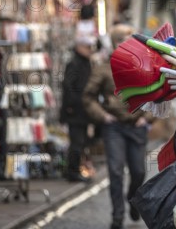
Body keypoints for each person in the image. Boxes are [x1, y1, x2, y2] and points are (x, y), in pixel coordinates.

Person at [82, 24, 151, 229]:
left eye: (131, 38)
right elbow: (88, 97)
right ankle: (117, 216)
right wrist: (102, 116)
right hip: (114, 127)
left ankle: (133, 199)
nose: (127, 42)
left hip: (137, 125)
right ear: (114, 42)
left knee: (138, 172)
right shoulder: (104, 68)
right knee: (116, 172)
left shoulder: (143, 65)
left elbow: (156, 95)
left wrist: (147, 118)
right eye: (122, 39)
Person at [60, 34, 96, 183]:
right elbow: (68, 86)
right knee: (76, 142)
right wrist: (72, 105)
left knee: (80, 142)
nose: (90, 50)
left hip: (82, 110)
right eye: (87, 47)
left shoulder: (85, 63)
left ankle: (75, 169)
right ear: (79, 47)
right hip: (75, 110)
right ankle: (72, 171)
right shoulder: (75, 63)